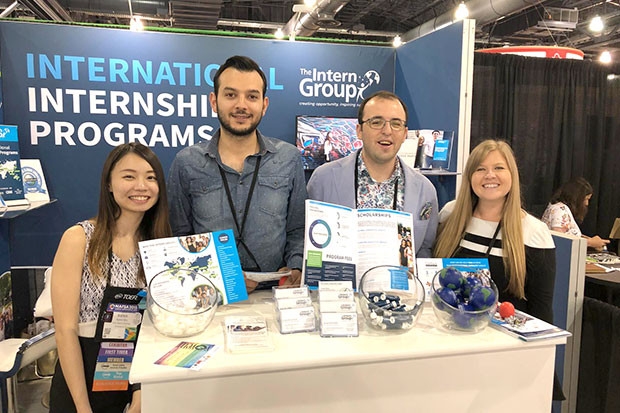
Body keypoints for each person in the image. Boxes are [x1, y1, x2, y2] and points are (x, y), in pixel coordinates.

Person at [433, 139, 564, 401]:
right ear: (470, 176)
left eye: (499, 168)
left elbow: (541, 312)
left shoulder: (533, 232)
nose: (489, 175)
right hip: (450, 350)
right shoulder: (449, 215)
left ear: (512, 175)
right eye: (480, 169)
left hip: (505, 359)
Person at [50, 143, 172, 412]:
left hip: (135, 374)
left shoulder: (158, 246)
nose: (141, 186)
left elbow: (154, 327)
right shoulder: (79, 239)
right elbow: (65, 331)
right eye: (129, 176)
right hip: (82, 377)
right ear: (109, 183)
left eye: (151, 177)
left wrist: (141, 390)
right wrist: (82, 407)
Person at [167, 55, 306, 292]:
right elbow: (178, 237)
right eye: (231, 95)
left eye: (252, 96)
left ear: (264, 105)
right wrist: (217, 277)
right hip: (211, 296)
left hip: (275, 295)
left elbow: (298, 228)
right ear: (214, 101)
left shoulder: (288, 158)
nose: (241, 105)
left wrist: (296, 267)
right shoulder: (187, 162)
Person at [307, 90, 438, 258]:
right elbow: (309, 243)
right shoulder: (323, 180)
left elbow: (425, 250)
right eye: (376, 122)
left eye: (396, 123)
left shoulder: (425, 190)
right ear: (359, 130)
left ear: (405, 134)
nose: (387, 131)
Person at [541, 177, 610, 251]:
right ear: (577, 197)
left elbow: (567, 235)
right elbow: (559, 240)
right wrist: (590, 242)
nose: (586, 203)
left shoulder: (557, 208)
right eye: (586, 199)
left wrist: (590, 240)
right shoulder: (560, 211)